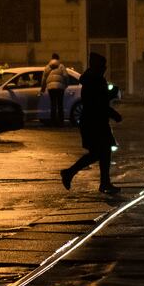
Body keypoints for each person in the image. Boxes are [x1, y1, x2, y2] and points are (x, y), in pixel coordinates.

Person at [60, 52, 122, 194]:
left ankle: (104, 183)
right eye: (103, 65)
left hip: (94, 122)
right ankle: (70, 173)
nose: (105, 68)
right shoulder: (95, 80)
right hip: (95, 123)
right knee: (99, 153)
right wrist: (114, 111)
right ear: (97, 66)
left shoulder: (91, 79)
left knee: (103, 152)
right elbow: (99, 103)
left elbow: (99, 100)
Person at [41, 53, 68, 126]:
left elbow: (43, 78)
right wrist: (66, 84)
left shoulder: (47, 67)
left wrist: (43, 88)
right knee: (60, 104)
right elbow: (65, 76)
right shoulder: (61, 66)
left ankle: (53, 122)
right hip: (60, 88)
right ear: (58, 59)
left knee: (53, 104)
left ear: (52, 59)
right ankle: (61, 122)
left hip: (51, 88)